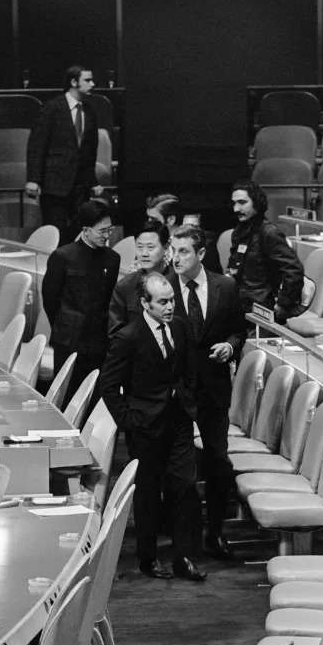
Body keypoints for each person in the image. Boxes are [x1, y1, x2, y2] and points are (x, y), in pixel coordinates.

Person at [101, 271, 206, 582]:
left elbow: (189, 370)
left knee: (185, 484)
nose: (170, 306)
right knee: (148, 493)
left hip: (178, 420)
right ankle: (148, 558)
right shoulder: (127, 337)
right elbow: (109, 386)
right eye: (163, 302)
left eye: (172, 300)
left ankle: (183, 556)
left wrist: (187, 399)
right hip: (145, 425)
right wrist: (130, 420)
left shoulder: (181, 327)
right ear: (145, 304)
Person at [168, 225, 246, 559]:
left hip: (214, 388)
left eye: (183, 251)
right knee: (181, 469)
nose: (176, 257)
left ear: (200, 254)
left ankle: (214, 533)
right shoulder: (162, 288)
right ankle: (183, 538)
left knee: (217, 463)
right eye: (173, 250)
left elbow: (239, 332)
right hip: (176, 391)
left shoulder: (226, 286)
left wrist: (230, 347)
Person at [41, 200, 120, 404]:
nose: (106, 235)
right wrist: (64, 324)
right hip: (69, 340)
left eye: (109, 230)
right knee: (68, 398)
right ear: (85, 230)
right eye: (101, 231)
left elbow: (109, 297)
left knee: (97, 398)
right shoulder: (62, 256)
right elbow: (50, 299)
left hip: (100, 339)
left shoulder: (112, 259)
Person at [25, 64, 104, 244]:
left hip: (80, 186)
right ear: (74, 82)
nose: (92, 84)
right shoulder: (52, 107)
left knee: (80, 233)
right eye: (87, 80)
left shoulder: (89, 111)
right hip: (55, 183)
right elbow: (37, 145)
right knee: (55, 232)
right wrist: (33, 179)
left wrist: (92, 182)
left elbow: (89, 152)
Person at [228, 180, 304, 324]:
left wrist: (283, 304)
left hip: (263, 310)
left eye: (242, 202)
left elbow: (294, 271)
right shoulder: (239, 231)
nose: (236, 209)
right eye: (234, 203)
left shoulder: (269, 233)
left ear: (256, 202)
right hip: (241, 307)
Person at [108, 219, 171, 337]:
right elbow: (116, 334)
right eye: (140, 247)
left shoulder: (179, 281)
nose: (144, 253)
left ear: (166, 247)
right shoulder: (125, 286)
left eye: (150, 247)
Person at [147, 195, 221, 273]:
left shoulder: (203, 242)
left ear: (171, 219)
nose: (149, 222)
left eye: (153, 219)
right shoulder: (149, 241)